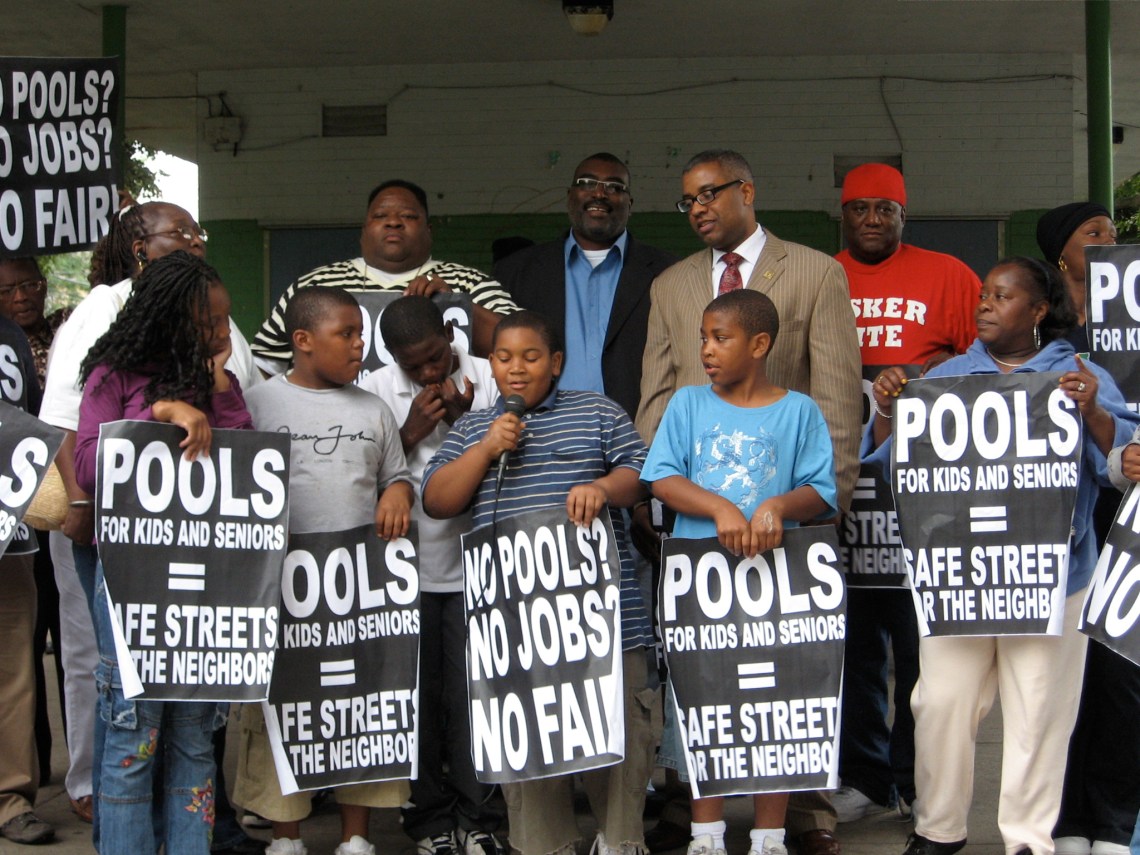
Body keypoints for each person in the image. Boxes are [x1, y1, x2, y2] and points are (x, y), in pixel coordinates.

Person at [865, 257, 1139, 855]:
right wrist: (888, 407)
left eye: (1002, 296)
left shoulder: (1078, 374)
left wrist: (1093, 410)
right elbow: (894, 468)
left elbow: (1120, 467)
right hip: (958, 579)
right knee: (939, 702)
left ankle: (1028, 840)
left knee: (1040, 710)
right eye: (983, 295)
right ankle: (939, 830)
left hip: (1053, 578)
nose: (984, 304)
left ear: (1038, 311)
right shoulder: (946, 375)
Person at [636, 149, 862, 855]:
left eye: (710, 194)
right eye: (687, 200)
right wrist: (656, 500)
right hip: (697, 528)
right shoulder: (671, 284)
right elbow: (657, 390)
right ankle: (694, 811)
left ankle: (803, 812)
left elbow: (836, 393)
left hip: (791, 528)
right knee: (705, 671)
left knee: (793, 671)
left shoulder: (816, 271)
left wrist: (826, 508)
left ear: (747, 191)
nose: (699, 207)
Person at [41, 200, 263, 854]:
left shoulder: (216, 378)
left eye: (225, 321)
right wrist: (164, 414)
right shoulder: (111, 374)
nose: (222, 333)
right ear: (168, 319)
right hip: (132, 583)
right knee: (134, 735)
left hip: (204, 591)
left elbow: (249, 463)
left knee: (195, 736)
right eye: (209, 323)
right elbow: (86, 461)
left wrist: (216, 389)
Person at [422, 311, 658, 855]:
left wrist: (601, 487)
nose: (517, 369)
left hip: (607, 630)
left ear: (555, 363)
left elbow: (641, 475)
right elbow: (437, 500)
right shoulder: (475, 427)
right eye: (504, 358)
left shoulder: (596, 412)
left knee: (619, 751)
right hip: (517, 635)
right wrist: (486, 449)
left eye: (531, 357)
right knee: (533, 769)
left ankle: (619, 842)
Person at [641, 289, 838, 855]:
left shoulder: (798, 410)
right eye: (703, 337)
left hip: (778, 586)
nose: (706, 349)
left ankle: (770, 835)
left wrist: (776, 507)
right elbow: (661, 479)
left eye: (719, 338)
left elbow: (820, 492)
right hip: (701, 587)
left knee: (774, 702)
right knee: (706, 699)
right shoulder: (686, 405)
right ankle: (706, 834)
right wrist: (721, 508)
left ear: (759, 344)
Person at [235, 286, 415, 855]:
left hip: (356, 589)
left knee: (358, 704)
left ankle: (355, 836)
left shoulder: (373, 409)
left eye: (361, 334)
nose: (360, 346)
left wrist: (399, 494)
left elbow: (397, 474)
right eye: (348, 335)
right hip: (279, 588)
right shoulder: (258, 405)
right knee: (282, 707)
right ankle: (285, 836)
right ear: (303, 341)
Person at [832, 163, 979, 822]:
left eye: (883, 209)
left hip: (925, 484)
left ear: (902, 215)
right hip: (841, 478)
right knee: (853, 641)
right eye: (859, 208)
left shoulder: (948, 274)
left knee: (925, 644)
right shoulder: (818, 272)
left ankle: (920, 780)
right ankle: (865, 775)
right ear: (843, 213)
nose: (871, 219)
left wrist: (933, 369)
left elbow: (992, 358)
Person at [358, 295, 503, 855]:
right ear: (391, 355)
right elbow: (359, 478)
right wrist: (409, 432)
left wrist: (471, 425)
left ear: (451, 333)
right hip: (407, 574)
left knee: (474, 697)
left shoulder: (489, 376)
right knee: (417, 699)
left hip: (478, 567)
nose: (426, 371)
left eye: (435, 357)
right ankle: (428, 819)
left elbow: (516, 457)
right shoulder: (373, 390)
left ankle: (480, 815)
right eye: (411, 365)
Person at [1036, 203, 1140, 855]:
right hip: (1062, 529)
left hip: (1127, 516)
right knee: (1061, 678)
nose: (1109, 241)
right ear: (1060, 259)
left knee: (1122, 673)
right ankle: (1066, 818)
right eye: (1092, 233)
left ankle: (1112, 818)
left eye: (1112, 232)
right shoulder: (1039, 332)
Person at [250, 179, 519, 373]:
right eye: (380, 216)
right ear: (364, 229)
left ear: (429, 229)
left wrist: (457, 304)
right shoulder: (314, 286)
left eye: (408, 216)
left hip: (453, 434)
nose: (393, 222)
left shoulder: (469, 282)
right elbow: (264, 364)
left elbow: (522, 346)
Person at [492, 151, 677, 421]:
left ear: (630, 203)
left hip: (638, 436)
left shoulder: (667, 272)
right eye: (587, 183)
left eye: (615, 187)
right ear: (570, 196)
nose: (599, 194)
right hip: (540, 437)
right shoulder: (516, 272)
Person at [0, 257, 70, 804]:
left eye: (29, 285)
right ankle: (28, 773)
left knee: (39, 657)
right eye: (8, 289)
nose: (21, 296)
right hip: (17, 522)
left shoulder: (59, 335)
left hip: (38, 522)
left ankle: (28, 784)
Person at [0, 290, 54, 846]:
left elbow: (33, 422)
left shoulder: (10, 338)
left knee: (13, 671)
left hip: (9, 534)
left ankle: (10, 798)